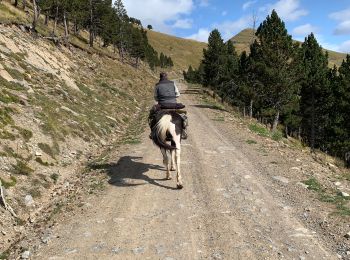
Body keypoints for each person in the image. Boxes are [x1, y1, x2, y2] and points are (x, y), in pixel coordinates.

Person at [149, 72, 188, 139]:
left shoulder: (157, 85)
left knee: (151, 116)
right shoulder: (172, 83)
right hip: (173, 105)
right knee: (184, 116)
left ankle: (152, 132)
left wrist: (161, 99)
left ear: (160, 77)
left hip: (162, 106)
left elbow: (155, 97)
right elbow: (178, 94)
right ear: (166, 77)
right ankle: (183, 130)